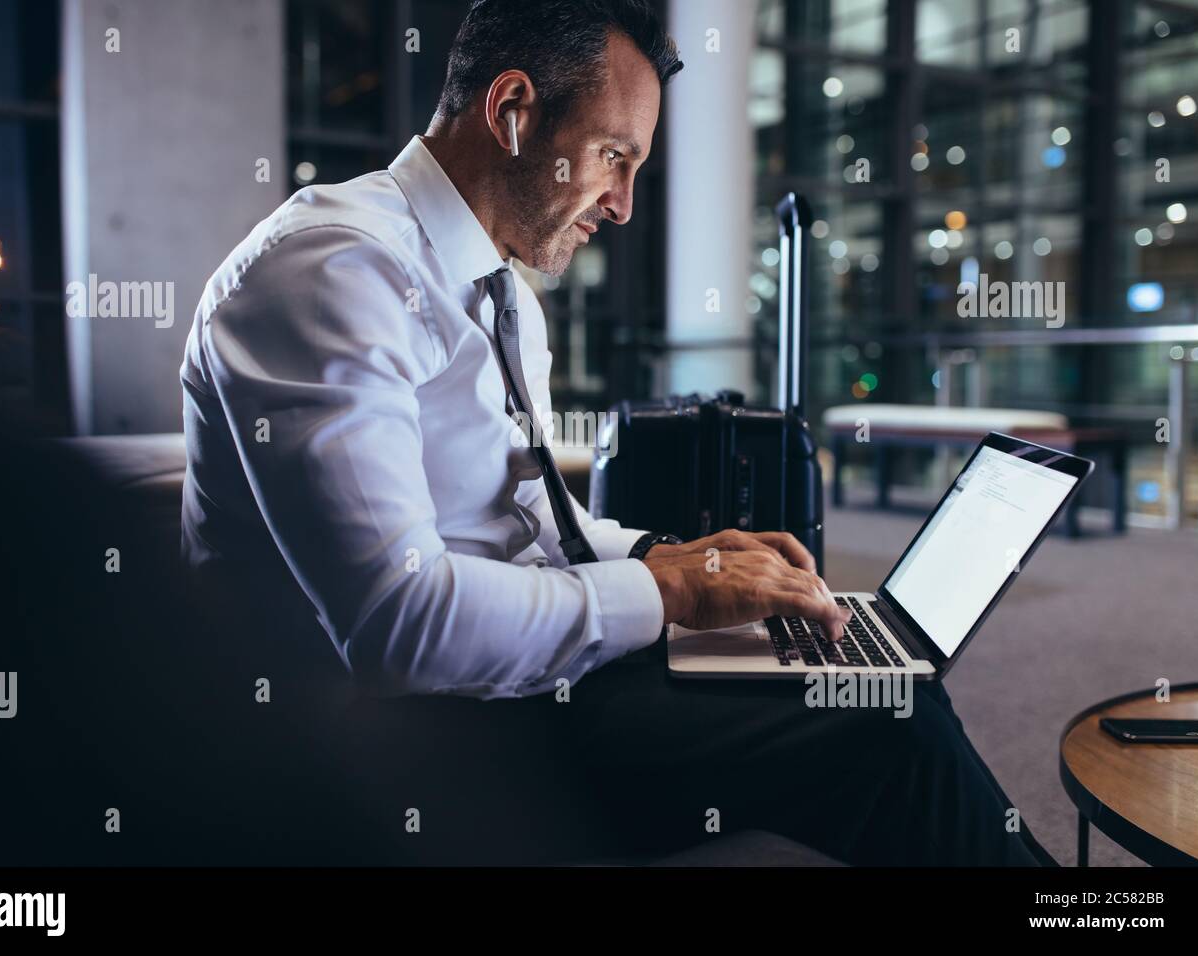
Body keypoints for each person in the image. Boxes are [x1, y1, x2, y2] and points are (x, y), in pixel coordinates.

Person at [179, 0, 1056, 866]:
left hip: (511, 685)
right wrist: (670, 594)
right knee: (886, 727)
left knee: (880, 687)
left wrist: (680, 554)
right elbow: (399, 627)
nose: (625, 205)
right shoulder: (335, 270)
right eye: (613, 157)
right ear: (513, 112)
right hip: (391, 748)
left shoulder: (501, 291)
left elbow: (530, 522)